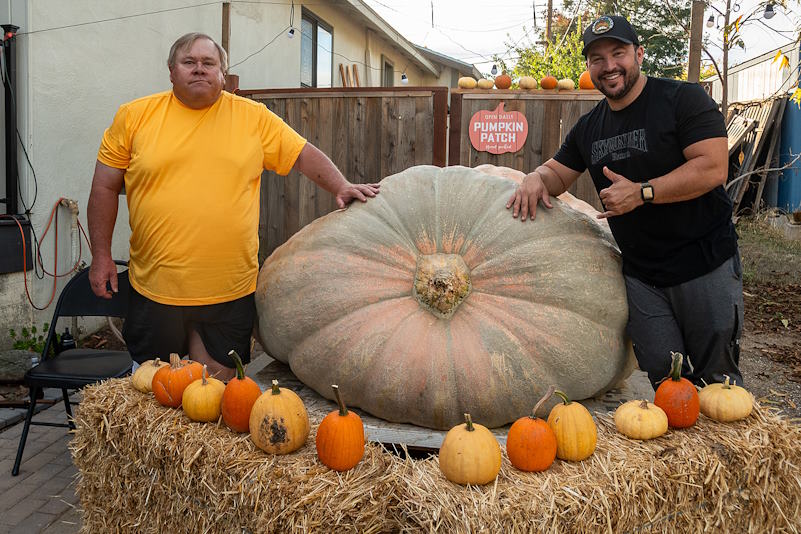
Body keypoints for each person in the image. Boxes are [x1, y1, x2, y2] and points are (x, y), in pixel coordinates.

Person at [87, 33, 379, 380]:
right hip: (157, 289)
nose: (199, 70)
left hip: (229, 290)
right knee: (157, 394)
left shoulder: (252, 118)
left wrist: (341, 185)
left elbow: (301, 154)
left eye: (208, 63)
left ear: (223, 74)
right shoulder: (135, 116)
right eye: (189, 62)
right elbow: (104, 186)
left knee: (216, 396)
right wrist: (101, 256)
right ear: (171, 71)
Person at [506, 15, 743, 389]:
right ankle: (681, 448)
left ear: (640, 54)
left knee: (720, 379)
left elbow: (713, 168)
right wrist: (535, 177)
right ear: (588, 67)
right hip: (644, 278)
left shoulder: (682, 99)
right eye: (597, 59)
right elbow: (558, 174)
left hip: (704, 262)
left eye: (618, 53)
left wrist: (643, 192)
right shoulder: (589, 128)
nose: (609, 66)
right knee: (668, 380)